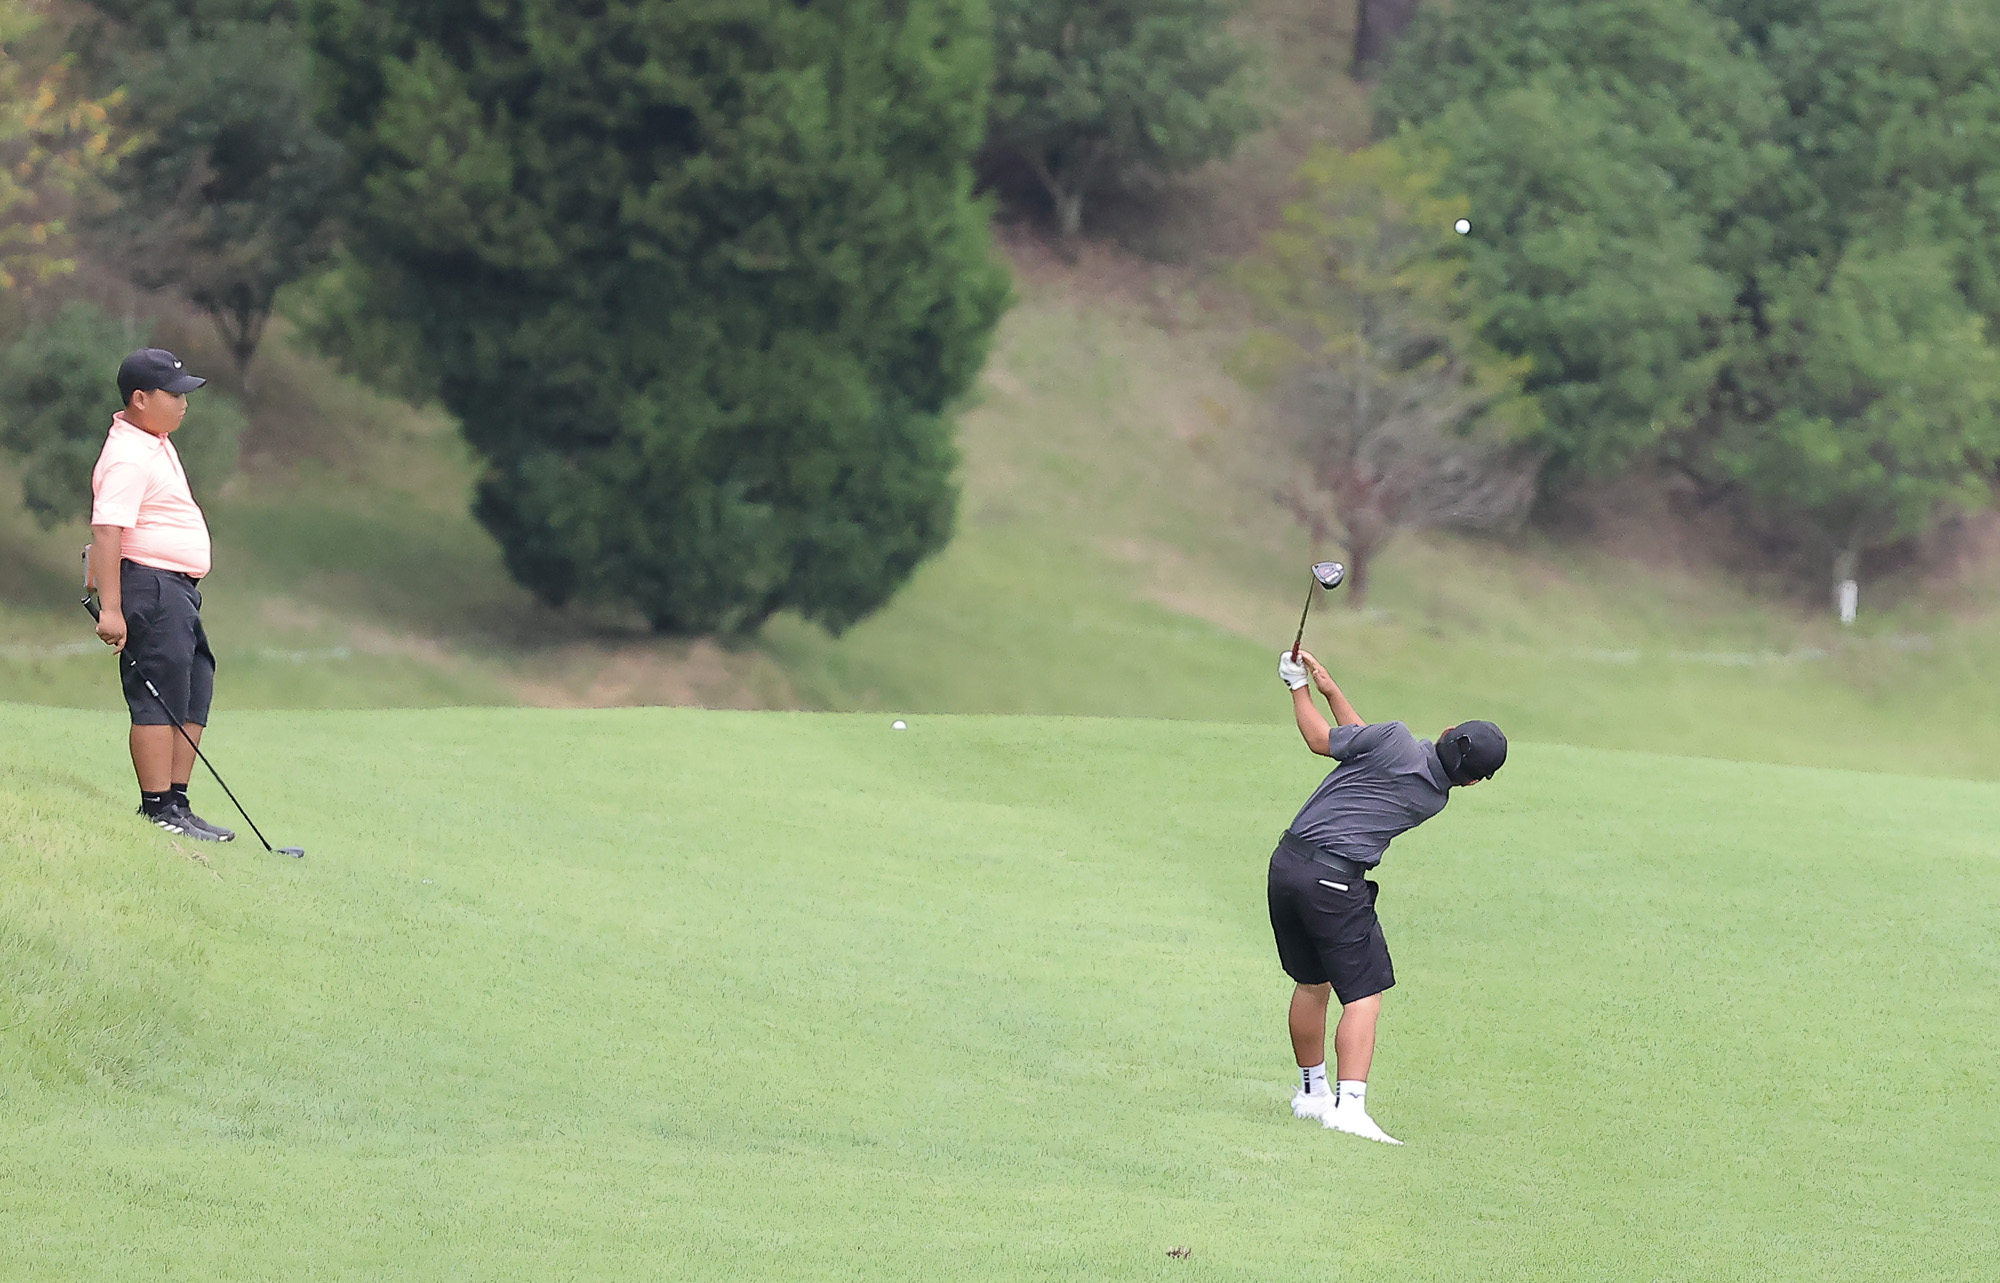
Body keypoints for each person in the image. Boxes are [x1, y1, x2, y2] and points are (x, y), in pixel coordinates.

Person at [1268, 647, 1507, 1144]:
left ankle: (1312, 1095)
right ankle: (1348, 1108)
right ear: (1475, 781)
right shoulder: (1432, 797)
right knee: (1364, 995)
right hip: (1333, 883)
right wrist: (1328, 691)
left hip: (1287, 865)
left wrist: (1297, 686)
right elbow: (1361, 744)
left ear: (1446, 731)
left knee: (1313, 984)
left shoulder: (1395, 739)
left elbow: (1326, 741)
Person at [88, 347, 233, 841]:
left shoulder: (154, 439)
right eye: (173, 394)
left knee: (194, 688)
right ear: (140, 399)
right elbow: (108, 530)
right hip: (151, 586)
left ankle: (178, 802)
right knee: (158, 694)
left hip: (176, 588)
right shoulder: (128, 454)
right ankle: (157, 808)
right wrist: (111, 607)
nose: (183, 402)